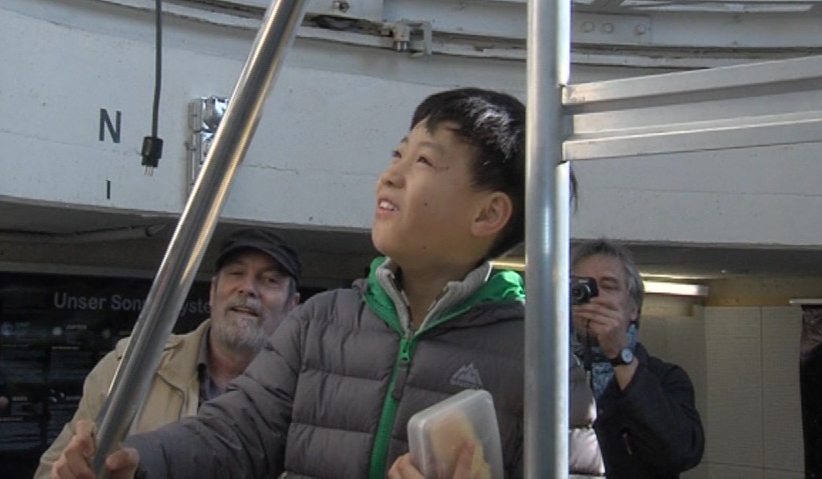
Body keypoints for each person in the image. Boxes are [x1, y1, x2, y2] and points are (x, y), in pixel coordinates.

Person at [49, 87, 543, 479]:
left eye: (424, 161)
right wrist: (141, 461)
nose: (390, 176)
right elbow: (235, 432)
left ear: (488, 214)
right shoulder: (320, 322)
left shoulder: (538, 360)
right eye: (397, 154)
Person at [35, 227, 301, 479]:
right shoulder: (128, 368)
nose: (248, 288)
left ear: (292, 306)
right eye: (236, 273)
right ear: (212, 292)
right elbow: (53, 469)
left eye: (270, 280)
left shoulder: (306, 394)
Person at [570, 238, 705, 478]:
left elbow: (681, 452)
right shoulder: (542, 371)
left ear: (633, 308)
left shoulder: (666, 378)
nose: (595, 298)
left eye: (608, 286)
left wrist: (620, 357)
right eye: (584, 287)